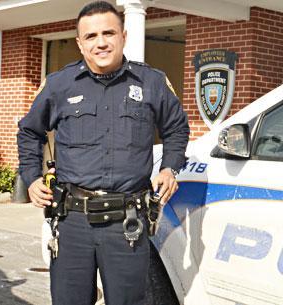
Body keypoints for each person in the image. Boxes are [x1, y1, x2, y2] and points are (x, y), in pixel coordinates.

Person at [17, 1, 190, 304]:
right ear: (80, 43)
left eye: (108, 33)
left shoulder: (152, 83)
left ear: (123, 35)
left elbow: (177, 129)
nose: (101, 43)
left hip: (126, 224)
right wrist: (32, 178)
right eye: (91, 36)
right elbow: (30, 131)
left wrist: (169, 168)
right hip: (72, 222)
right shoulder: (59, 85)